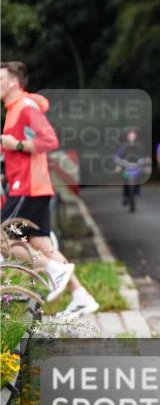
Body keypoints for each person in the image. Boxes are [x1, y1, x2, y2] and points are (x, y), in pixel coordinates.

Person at [0, 62, 99, 318]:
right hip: (34, 186)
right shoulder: (14, 109)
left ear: (13, 83)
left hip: (28, 186)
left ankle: (55, 272)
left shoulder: (25, 107)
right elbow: (17, 145)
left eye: (0, 79)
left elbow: (49, 140)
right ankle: (81, 297)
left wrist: (16, 145)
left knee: (3, 241)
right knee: (42, 245)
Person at [114, 129, 151, 206]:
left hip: (137, 165)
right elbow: (117, 156)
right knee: (125, 180)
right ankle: (125, 196)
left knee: (139, 177)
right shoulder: (124, 146)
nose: (131, 138)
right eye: (130, 137)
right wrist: (118, 165)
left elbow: (146, 156)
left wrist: (147, 165)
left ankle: (138, 191)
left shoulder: (140, 146)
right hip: (126, 166)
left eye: (133, 137)